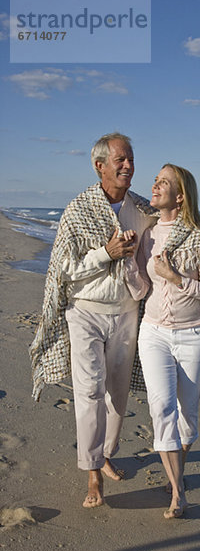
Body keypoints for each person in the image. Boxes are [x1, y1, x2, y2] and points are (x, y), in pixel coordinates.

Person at [30, 132, 157, 508]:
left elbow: (173, 229)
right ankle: (91, 474)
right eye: (120, 160)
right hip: (85, 312)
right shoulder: (78, 209)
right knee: (88, 392)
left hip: (126, 313)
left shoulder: (141, 209)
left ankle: (105, 455)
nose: (128, 166)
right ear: (99, 165)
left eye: (131, 159)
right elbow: (63, 269)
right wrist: (106, 253)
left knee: (118, 395)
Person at [125, 163, 200, 519]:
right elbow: (141, 288)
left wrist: (177, 277)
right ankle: (178, 492)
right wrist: (128, 265)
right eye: (155, 181)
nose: (155, 186)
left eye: (164, 183)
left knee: (187, 419)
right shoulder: (149, 234)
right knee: (161, 408)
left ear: (180, 196)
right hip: (153, 332)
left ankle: (175, 475)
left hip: (192, 335)